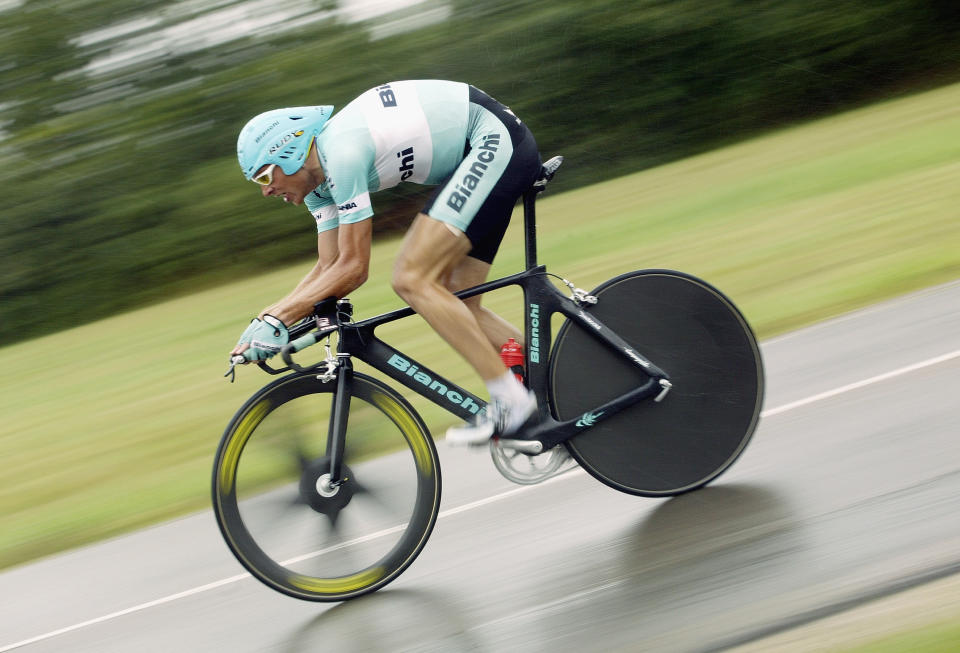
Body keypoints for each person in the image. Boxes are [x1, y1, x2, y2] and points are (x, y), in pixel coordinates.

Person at [230, 80, 541, 445]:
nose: (265, 190)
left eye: (264, 176)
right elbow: (329, 267)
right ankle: (561, 382)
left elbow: (355, 269)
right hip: (483, 153)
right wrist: (267, 319)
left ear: (289, 153)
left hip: (493, 141)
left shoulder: (341, 154)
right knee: (457, 300)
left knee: (412, 279)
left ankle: (512, 402)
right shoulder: (319, 187)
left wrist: (280, 319)